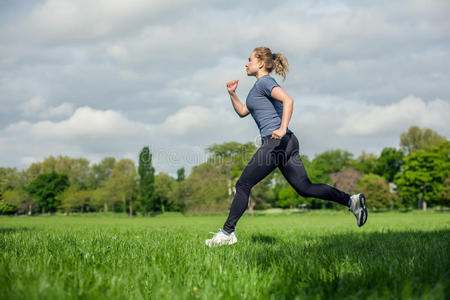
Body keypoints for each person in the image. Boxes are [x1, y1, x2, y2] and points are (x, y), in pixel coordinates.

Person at [205, 47, 367, 247]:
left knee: (243, 185)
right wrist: (232, 94)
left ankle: (227, 232)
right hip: (287, 142)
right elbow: (243, 111)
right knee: (305, 188)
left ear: (261, 63)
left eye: (249, 60)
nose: (246, 64)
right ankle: (351, 201)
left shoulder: (265, 82)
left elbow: (288, 100)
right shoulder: (257, 88)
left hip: (277, 141)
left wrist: (281, 128)